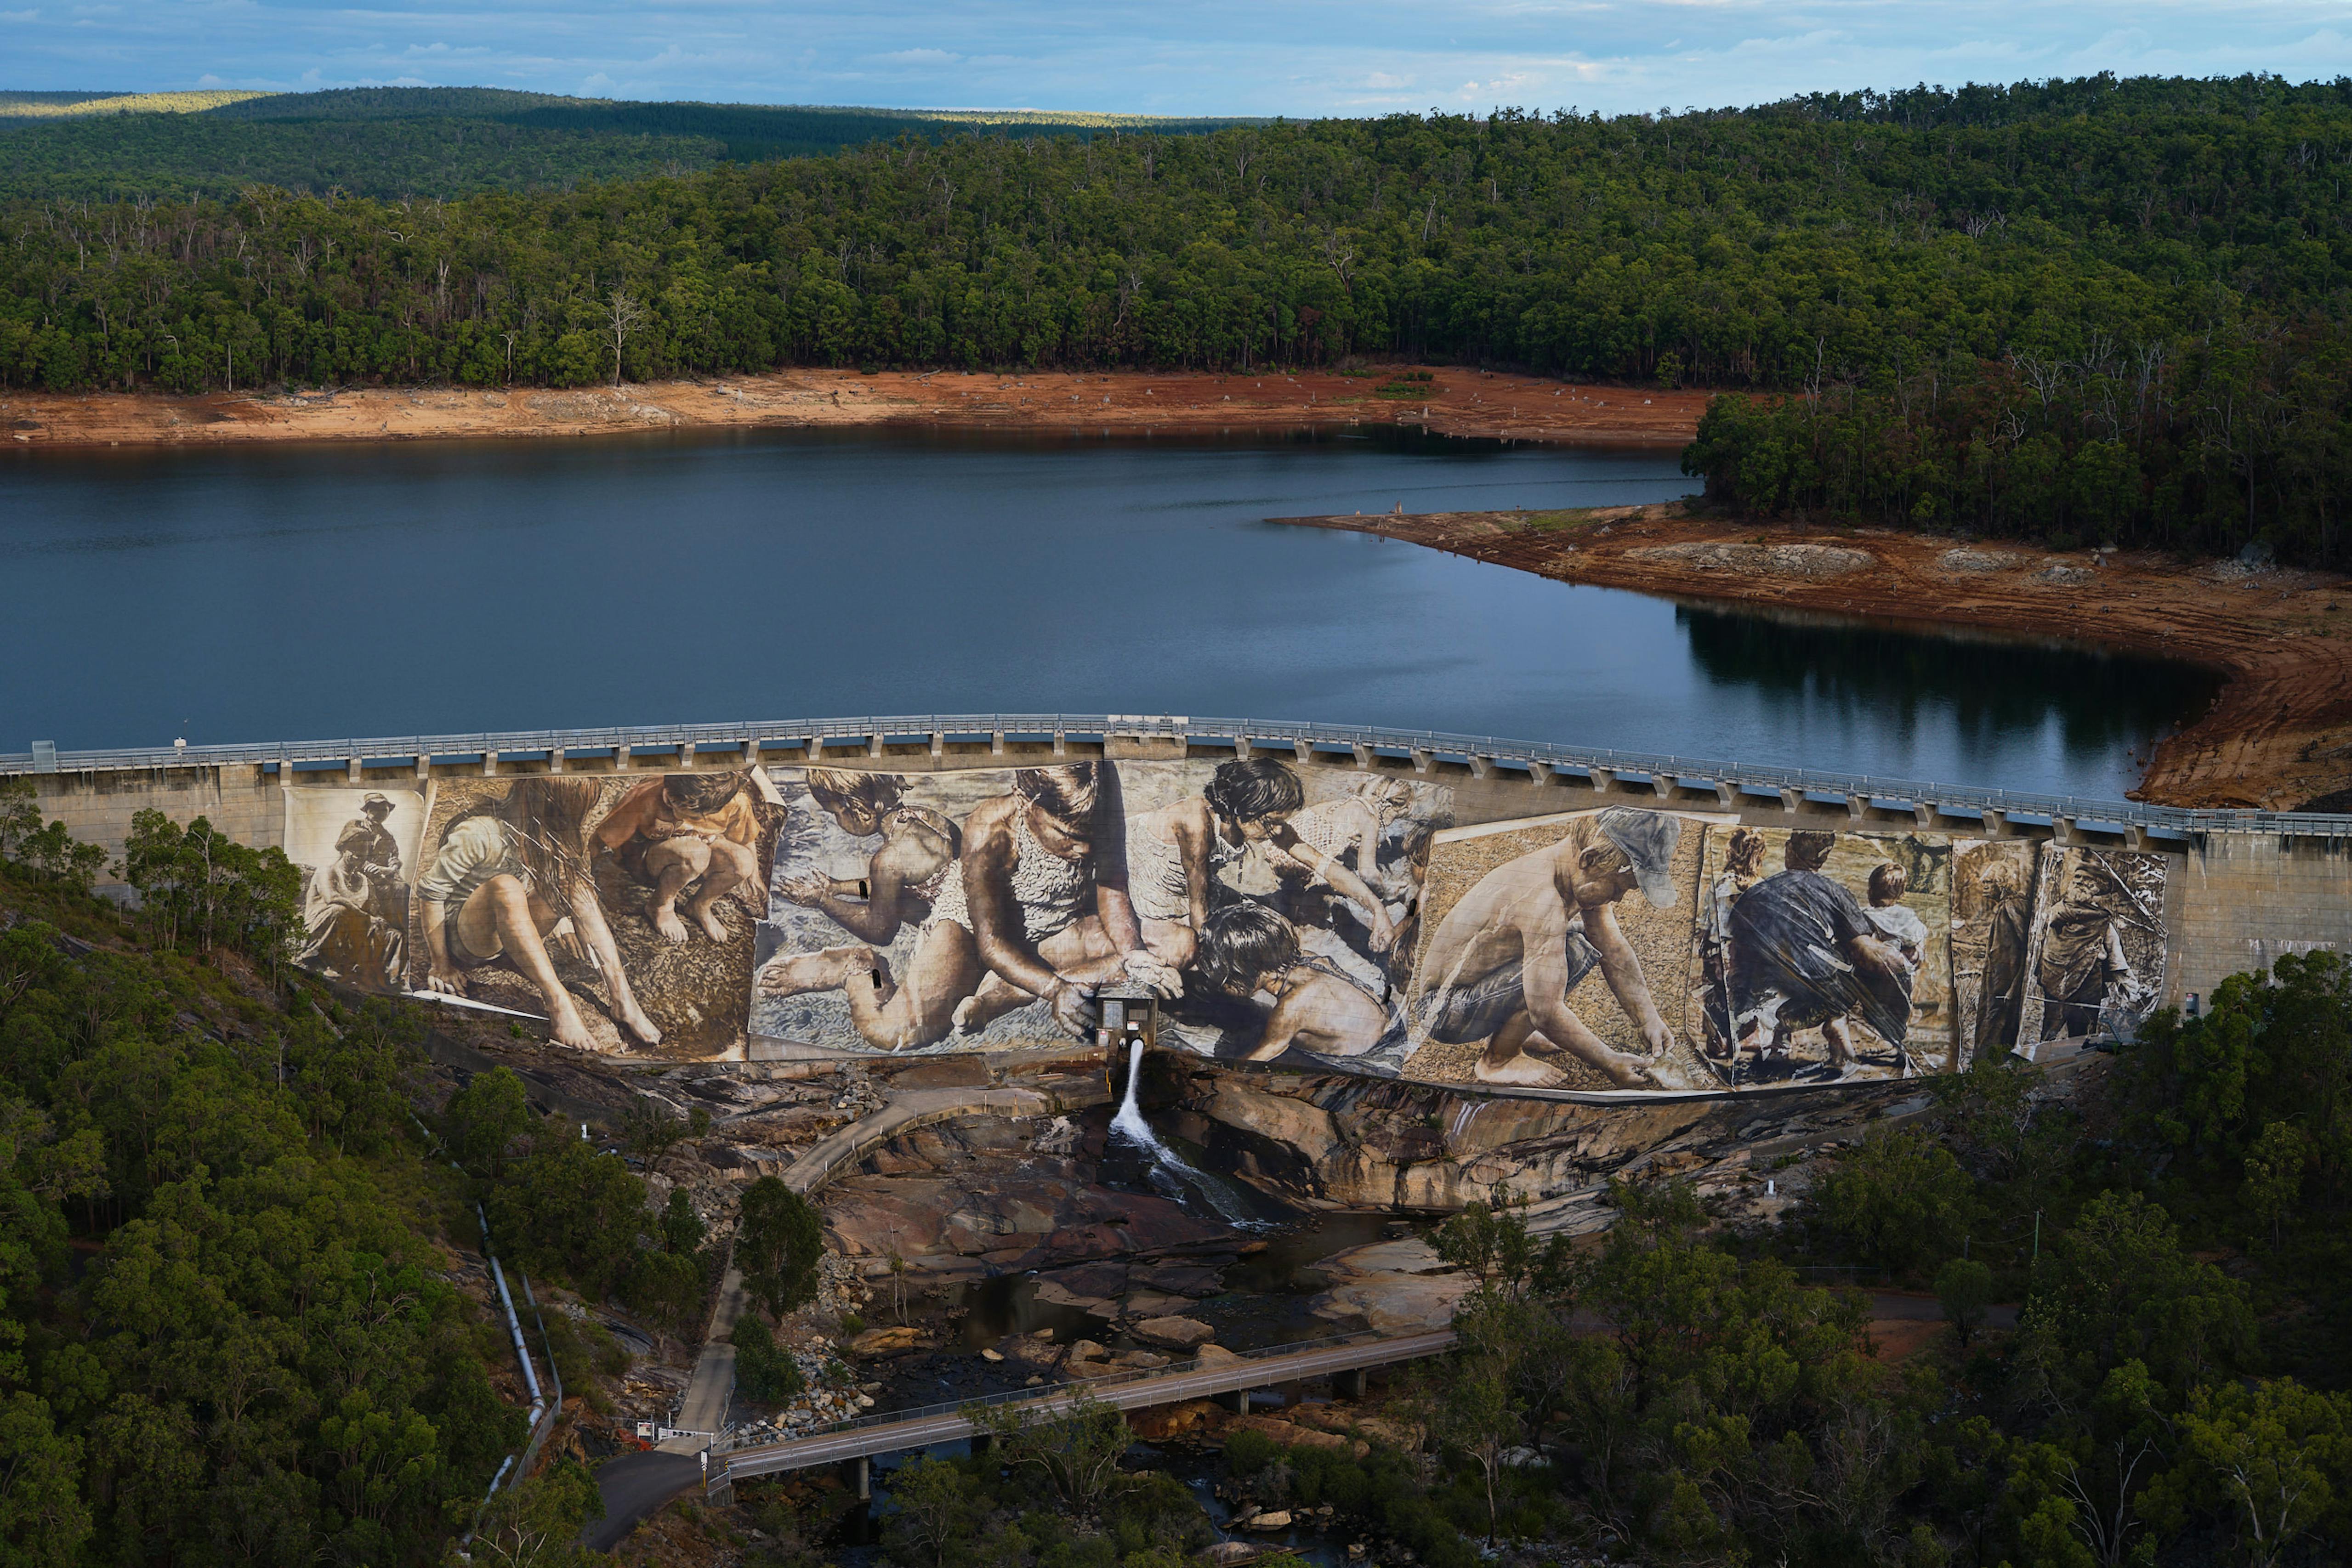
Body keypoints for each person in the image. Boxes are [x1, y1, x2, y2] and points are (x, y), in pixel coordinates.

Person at [763, 763, 1171, 1051]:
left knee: (1174, 947)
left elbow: (1113, 882)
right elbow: (978, 941)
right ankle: (858, 969)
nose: (1085, 850)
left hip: (1051, 924)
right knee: (895, 1031)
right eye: (1069, 835)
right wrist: (1053, 989)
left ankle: (998, 993)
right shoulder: (983, 826)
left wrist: (1132, 953)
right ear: (1026, 802)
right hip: (972, 925)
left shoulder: (1096, 782)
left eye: (1090, 836)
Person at [1410, 807, 1684, 1088]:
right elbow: (1546, 1010)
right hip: (1443, 1011)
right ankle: (1498, 1060)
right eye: (1618, 888)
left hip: (1472, 991)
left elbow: (1613, 948)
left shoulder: (1574, 870)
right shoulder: (1542, 899)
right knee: (1571, 952)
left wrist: (1647, 1018)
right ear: (1589, 859)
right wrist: (1609, 1061)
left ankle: (1513, 1030)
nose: (1619, 899)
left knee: (1575, 943)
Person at [419, 777, 660, 1052]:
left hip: (511, 926)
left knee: (577, 884)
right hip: (468, 936)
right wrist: (441, 964)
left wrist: (565, 921)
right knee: (505, 887)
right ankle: (558, 1002)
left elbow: (558, 881)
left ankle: (623, 1000)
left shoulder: (547, 834)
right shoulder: (480, 832)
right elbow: (431, 896)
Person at [758, 770, 960, 998]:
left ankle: (854, 969)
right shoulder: (928, 818)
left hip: (955, 943)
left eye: (835, 814)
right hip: (965, 917)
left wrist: (823, 902)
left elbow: (881, 931)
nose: (837, 821)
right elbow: (892, 886)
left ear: (861, 812)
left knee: (891, 1028)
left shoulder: (889, 859)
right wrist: (838, 887)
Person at [1726, 832, 1908, 1077]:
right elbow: (1865, 951)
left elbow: (1735, 958)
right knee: (1870, 965)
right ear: (1824, 858)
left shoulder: (1752, 897)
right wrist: (1900, 967)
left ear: (1789, 850)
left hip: (1754, 1002)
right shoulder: (1835, 893)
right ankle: (1885, 1040)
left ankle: (1776, 1042)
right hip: (1814, 1001)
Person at [1193, 901, 1400, 1070]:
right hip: (1392, 1025)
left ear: (1250, 969)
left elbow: (1251, 1064)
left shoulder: (1290, 1010)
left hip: (1377, 1061)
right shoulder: (1310, 960)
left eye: (1225, 979)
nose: (1223, 986)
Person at [593, 771, 763, 944]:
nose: (669, 802)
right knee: (696, 854)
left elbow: (747, 839)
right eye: (669, 801)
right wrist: (583, 871)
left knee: (743, 861)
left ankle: (700, 906)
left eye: (689, 814)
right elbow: (601, 838)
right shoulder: (647, 795)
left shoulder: (736, 802)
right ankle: (660, 907)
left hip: (697, 856)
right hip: (647, 861)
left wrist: (755, 877)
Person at [2036, 856, 2143, 1041]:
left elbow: (2115, 956)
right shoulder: (2056, 912)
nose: (2080, 883)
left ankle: (2078, 1065)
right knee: (2050, 1031)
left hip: (2088, 981)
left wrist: (2132, 989)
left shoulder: (2101, 921)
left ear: (2097, 889)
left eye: (2087, 881)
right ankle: (2042, 1065)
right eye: (2077, 878)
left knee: (2083, 1034)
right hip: (2055, 979)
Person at [1699, 827, 1769, 1063]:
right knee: (1746, 996)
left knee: (1715, 994)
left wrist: (1702, 942)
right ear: (1759, 857)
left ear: (1730, 852)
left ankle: (1718, 1041)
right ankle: (1743, 1041)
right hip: (1747, 953)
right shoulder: (1763, 886)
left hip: (1718, 949)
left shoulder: (1720, 882)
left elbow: (1708, 920)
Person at [298, 835, 403, 989]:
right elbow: (332, 898)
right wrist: (366, 917)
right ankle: (316, 961)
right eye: (354, 849)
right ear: (343, 849)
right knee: (339, 910)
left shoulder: (365, 881)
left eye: (364, 851)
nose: (359, 855)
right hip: (321, 928)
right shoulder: (327, 871)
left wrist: (381, 879)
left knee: (395, 935)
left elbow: (376, 913)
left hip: (354, 933)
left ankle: (393, 984)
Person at [1971, 855, 2033, 1057]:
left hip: (2006, 982)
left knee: (1995, 1027)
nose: (1985, 886)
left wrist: (2015, 986)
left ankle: (1986, 1071)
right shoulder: (2005, 906)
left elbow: (2027, 948)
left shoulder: (2012, 906)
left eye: (1989, 882)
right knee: (1991, 1024)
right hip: (1998, 978)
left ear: (2001, 883)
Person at [338, 792, 408, 927]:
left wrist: (391, 869)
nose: (379, 813)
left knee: (403, 889)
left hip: (381, 878)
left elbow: (395, 858)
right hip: (355, 875)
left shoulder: (387, 836)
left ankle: (401, 930)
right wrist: (365, 865)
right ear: (367, 810)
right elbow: (344, 850)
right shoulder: (355, 826)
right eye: (375, 809)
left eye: (384, 810)